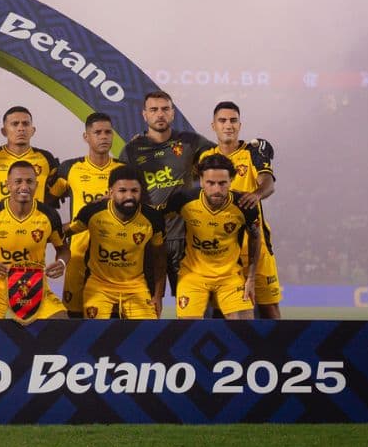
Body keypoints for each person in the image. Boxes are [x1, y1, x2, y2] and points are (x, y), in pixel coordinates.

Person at [118, 91, 216, 298]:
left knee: (193, 305)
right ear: (144, 115)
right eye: (154, 110)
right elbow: (121, 193)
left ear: (172, 113)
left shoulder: (191, 142)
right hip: (148, 240)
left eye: (165, 109)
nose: (160, 114)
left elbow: (221, 162)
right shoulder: (132, 150)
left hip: (187, 239)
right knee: (148, 308)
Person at [198, 101, 281, 318]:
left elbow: (268, 183)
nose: (228, 125)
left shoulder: (252, 153)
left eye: (233, 120)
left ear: (240, 125)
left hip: (256, 244)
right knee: (221, 312)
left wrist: (256, 194)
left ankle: (279, 352)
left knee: (269, 308)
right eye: (222, 121)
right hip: (220, 251)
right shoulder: (205, 158)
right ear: (213, 126)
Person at [0, 161, 70, 322]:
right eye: (18, 181)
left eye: (29, 181)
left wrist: (61, 262)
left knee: (61, 324)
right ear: (8, 185)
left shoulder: (49, 215)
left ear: (36, 184)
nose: (24, 187)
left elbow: (63, 249)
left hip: (36, 283)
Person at [163, 154, 262, 320]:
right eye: (210, 183)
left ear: (231, 180)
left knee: (246, 329)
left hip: (230, 277)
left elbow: (255, 237)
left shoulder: (245, 206)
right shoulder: (184, 200)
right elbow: (152, 217)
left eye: (222, 183)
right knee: (187, 331)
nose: (217, 189)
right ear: (201, 181)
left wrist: (251, 278)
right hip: (192, 276)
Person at [68, 166, 166, 319]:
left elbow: (160, 259)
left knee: (148, 335)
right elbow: (61, 233)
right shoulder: (92, 212)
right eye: (122, 191)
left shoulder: (153, 218)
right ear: (110, 192)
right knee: (93, 334)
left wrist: (158, 296)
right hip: (98, 285)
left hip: (136, 287)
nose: (129, 196)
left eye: (134, 191)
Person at [51, 112, 124, 317]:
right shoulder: (70, 169)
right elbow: (46, 205)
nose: (104, 137)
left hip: (113, 255)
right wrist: (63, 228)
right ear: (86, 137)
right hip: (78, 253)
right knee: (73, 316)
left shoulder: (123, 170)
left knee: (110, 317)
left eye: (108, 132)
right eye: (98, 132)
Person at [0, 106, 61, 207]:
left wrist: (44, 212)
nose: (21, 128)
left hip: (37, 222)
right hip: (1, 222)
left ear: (32, 130)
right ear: (4, 131)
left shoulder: (46, 158)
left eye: (25, 124)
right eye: (15, 124)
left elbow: (59, 192)